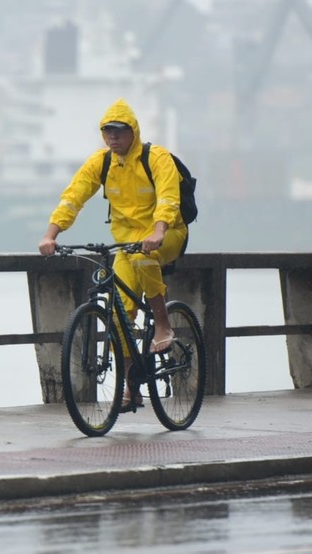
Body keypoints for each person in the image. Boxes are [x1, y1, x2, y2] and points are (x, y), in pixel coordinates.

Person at [38, 98, 188, 412]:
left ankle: (163, 324)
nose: (113, 137)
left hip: (167, 233)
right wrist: (52, 234)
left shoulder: (156, 157)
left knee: (145, 259)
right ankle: (131, 389)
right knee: (120, 313)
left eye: (119, 131)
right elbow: (73, 196)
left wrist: (159, 230)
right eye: (108, 132)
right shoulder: (102, 162)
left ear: (133, 131)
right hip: (126, 242)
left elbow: (169, 198)